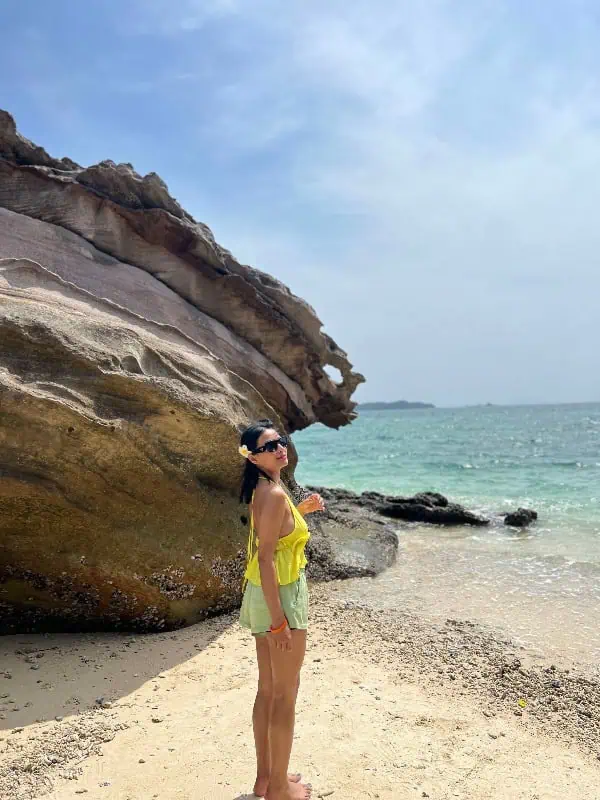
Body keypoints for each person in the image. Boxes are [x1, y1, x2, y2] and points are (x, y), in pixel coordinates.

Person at [238, 419, 324, 800]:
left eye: (281, 442)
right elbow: (269, 557)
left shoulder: (268, 488)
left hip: (262, 592)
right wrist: (279, 622)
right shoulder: (272, 493)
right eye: (270, 446)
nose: (280, 449)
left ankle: (267, 778)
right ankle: (277, 789)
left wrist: (300, 510)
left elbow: (271, 537)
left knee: (270, 689)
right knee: (285, 693)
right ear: (253, 457)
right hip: (280, 595)